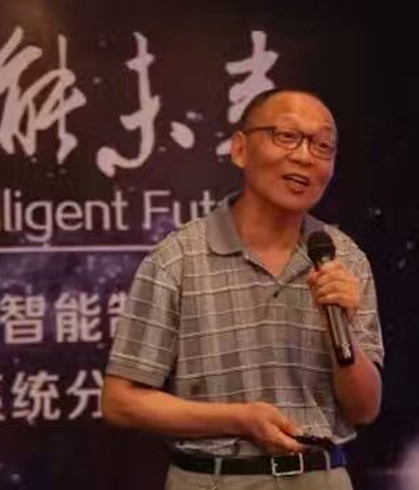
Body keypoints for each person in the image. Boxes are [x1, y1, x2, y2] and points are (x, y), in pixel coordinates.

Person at [102, 88, 384, 489]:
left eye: (322, 145)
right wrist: (239, 419)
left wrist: (342, 330)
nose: (305, 157)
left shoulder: (344, 258)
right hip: (214, 478)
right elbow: (121, 401)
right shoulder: (178, 258)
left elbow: (364, 409)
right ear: (240, 150)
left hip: (321, 477)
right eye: (287, 136)